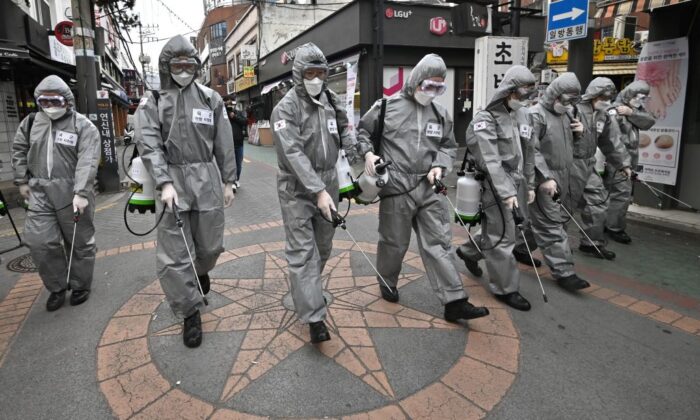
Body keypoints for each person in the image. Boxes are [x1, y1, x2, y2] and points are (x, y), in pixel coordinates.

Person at [358, 54, 489, 322]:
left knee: (439, 242)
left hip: (429, 186)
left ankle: (454, 300)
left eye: (439, 87)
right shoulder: (386, 106)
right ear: (417, 80)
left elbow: (448, 146)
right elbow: (363, 133)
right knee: (394, 242)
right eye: (429, 85)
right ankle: (387, 280)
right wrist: (368, 155)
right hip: (396, 185)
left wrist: (440, 166)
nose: (433, 92)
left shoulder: (441, 114)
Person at [135, 35, 236, 348]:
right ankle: (190, 311)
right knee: (177, 253)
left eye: (189, 65)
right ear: (167, 66)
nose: (183, 70)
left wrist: (228, 180)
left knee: (210, 245)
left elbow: (224, 139)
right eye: (177, 65)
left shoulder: (210, 98)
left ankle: (201, 273)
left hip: (206, 176)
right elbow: (148, 142)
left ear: (197, 66)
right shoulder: (153, 99)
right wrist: (164, 182)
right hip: (173, 181)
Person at [271, 43, 361, 343]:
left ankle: (306, 287)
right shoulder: (285, 108)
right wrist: (318, 190)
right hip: (296, 188)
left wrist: (355, 154)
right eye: (309, 73)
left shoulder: (330, 100)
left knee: (323, 247)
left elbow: (346, 127)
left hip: (328, 181)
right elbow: (293, 153)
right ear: (298, 74)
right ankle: (314, 317)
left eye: (320, 73)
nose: (315, 79)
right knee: (302, 253)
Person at [455, 66, 541, 311]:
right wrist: (507, 192)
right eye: (521, 94)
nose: (524, 100)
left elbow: (530, 151)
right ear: (508, 91)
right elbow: (490, 160)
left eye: (528, 95)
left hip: (519, 182)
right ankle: (505, 289)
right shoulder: (486, 119)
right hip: (495, 184)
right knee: (503, 235)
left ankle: (469, 251)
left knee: (507, 228)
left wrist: (530, 183)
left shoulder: (524, 116)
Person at [11, 75, 101, 311]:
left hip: (73, 191)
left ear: (67, 101)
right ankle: (58, 286)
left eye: (56, 101)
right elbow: (19, 149)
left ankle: (81, 284)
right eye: (44, 102)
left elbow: (88, 160)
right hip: (40, 192)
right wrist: (22, 180)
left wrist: (81, 191)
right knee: (39, 241)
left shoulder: (83, 126)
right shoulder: (31, 123)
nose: (50, 107)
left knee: (79, 242)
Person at [527, 72, 591, 292]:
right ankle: (565, 272)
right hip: (542, 178)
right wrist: (544, 178)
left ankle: (474, 249)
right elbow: (530, 150)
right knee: (551, 223)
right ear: (554, 94)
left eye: (573, 100)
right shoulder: (536, 115)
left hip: (563, 175)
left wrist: (580, 134)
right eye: (565, 100)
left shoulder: (567, 116)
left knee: (527, 221)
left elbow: (576, 149)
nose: (569, 104)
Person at [573, 77, 632, 258]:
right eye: (602, 97)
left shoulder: (603, 115)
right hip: (568, 165)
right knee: (556, 211)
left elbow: (612, 141)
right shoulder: (573, 110)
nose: (605, 101)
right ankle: (521, 245)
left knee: (598, 203)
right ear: (593, 94)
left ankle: (592, 243)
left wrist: (623, 164)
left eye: (608, 97)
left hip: (588, 165)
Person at [605, 81, 656, 244]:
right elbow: (613, 140)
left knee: (617, 194)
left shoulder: (633, 110)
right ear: (629, 94)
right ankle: (614, 228)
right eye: (638, 97)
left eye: (643, 98)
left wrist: (631, 112)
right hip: (618, 160)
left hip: (628, 160)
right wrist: (623, 163)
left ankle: (608, 224)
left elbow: (649, 121)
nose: (640, 101)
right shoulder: (614, 111)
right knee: (621, 194)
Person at [227, 101, 247, 190]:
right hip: (228, 144)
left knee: (238, 163)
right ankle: (232, 181)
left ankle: (237, 179)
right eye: (228, 104)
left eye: (231, 104)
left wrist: (234, 117)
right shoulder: (223, 115)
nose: (230, 106)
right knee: (230, 164)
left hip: (239, 143)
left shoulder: (238, 113)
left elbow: (245, 122)